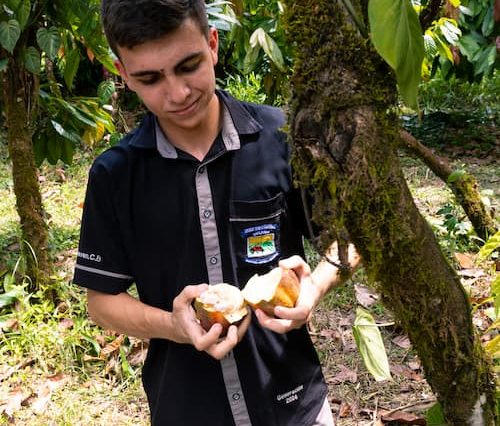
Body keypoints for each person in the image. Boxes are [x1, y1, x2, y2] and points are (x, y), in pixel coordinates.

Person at [73, 1, 359, 425]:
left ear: (212, 45)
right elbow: (101, 302)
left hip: (293, 404)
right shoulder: (115, 176)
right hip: (187, 409)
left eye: (188, 66)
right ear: (122, 73)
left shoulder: (280, 139)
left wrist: (313, 289)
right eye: (150, 78)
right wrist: (174, 325)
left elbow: (351, 238)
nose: (177, 93)